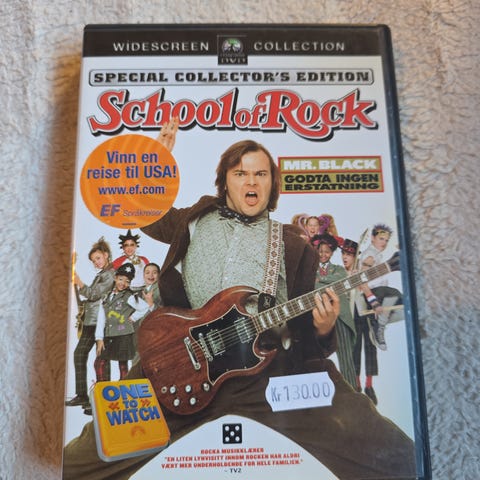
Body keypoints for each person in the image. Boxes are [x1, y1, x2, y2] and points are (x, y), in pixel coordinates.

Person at [63, 121, 416, 479]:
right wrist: (155, 161)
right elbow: (139, 210)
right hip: (178, 362)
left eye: (261, 174)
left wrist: (323, 328)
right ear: (225, 181)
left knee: (389, 452)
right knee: (81, 461)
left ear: (272, 183)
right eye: (241, 173)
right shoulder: (195, 219)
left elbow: (305, 340)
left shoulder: (293, 244)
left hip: (264, 377)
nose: (251, 182)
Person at [65, 237, 115, 414]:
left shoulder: (111, 274)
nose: (96, 263)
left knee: (101, 360)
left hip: (101, 322)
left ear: (106, 255)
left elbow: (94, 294)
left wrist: (79, 282)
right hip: (90, 322)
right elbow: (92, 297)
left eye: (98, 258)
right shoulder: (102, 274)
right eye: (94, 261)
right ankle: (82, 395)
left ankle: (103, 401)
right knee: (80, 354)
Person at [94, 263, 151, 385]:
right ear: (115, 278)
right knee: (99, 362)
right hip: (109, 334)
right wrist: (99, 338)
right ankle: (101, 387)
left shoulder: (129, 296)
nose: (123, 283)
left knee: (123, 364)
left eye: (127, 281)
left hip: (123, 334)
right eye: (120, 279)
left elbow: (145, 307)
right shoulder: (106, 296)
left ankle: (124, 387)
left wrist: (133, 317)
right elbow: (101, 318)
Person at [314, 234, 356, 388]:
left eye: (327, 252)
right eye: (320, 251)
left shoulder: (338, 269)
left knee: (346, 356)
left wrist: (321, 281)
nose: (323, 254)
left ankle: (352, 390)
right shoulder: (311, 270)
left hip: (341, 316)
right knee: (318, 357)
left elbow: (341, 279)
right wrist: (325, 284)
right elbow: (313, 286)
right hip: (320, 317)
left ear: (332, 253)